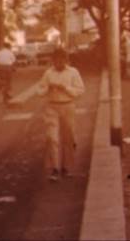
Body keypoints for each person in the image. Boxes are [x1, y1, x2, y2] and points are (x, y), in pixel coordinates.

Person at [34, 47, 85, 181]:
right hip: (52, 107)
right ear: (53, 60)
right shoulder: (48, 73)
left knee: (68, 137)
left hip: (68, 105)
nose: (59, 63)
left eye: (62, 60)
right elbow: (39, 91)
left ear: (66, 60)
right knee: (53, 138)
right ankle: (55, 168)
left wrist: (66, 88)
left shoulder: (73, 72)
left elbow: (80, 90)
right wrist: (47, 88)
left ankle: (66, 167)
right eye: (56, 60)